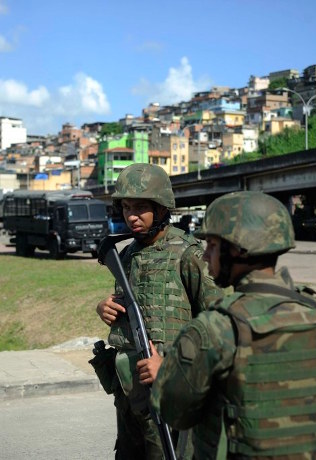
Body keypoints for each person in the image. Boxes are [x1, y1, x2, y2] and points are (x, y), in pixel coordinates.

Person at [143, 191, 316, 459]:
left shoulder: (215, 328)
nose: (205, 256)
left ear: (237, 249)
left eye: (212, 245)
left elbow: (175, 413)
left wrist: (164, 373)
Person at [95, 163, 222, 460]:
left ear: (161, 208)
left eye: (140, 207)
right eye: (126, 207)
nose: (131, 216)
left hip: (168, 388)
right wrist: (106, 307)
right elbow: (132, 303)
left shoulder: (188, 253)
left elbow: (217, 326)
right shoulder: (127, 253)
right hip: (129, 390)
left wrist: (173, 368)